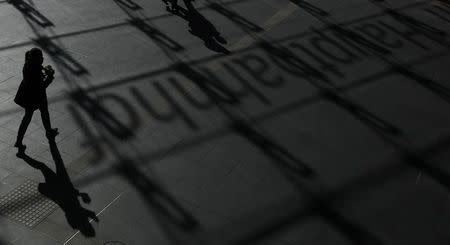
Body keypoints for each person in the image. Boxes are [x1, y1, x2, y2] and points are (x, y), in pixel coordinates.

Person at [14, 48, 58, 156]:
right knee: (32, 116)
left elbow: (38, 77)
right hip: (34, 96)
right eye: (40, 58)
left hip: (29, 94)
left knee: (39, 113)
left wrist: (43, 71)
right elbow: (41, 87)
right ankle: (20, 140)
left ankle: (19, 140)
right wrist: (50, 77)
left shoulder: (29, 64)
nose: (42, 59)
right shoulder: (33, 69)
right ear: (35, 59)